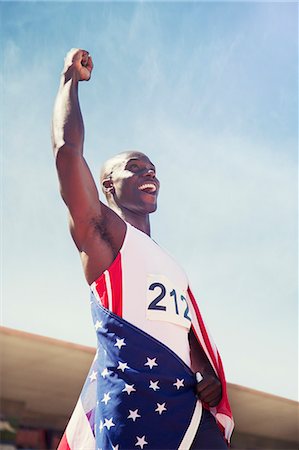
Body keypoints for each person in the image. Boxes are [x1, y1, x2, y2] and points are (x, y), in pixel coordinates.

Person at [52, 48, 234, 450]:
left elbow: (182, 328)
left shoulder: (170, 264)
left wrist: (203, 368)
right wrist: (69, 81)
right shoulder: (103, 236)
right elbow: (68, 154)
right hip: (136, 412)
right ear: (108, 187)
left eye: (152, 168)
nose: (149, 172)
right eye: (135, 167)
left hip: (187, 408)